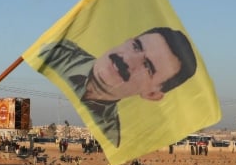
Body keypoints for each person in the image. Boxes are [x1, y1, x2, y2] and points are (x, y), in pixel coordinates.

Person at [39, 27, 197, 147]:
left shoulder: (110, 136)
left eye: (147, 66)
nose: (127, 59)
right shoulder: (58, 54)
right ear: (128, 40)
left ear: (152, 94)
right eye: (136, 46)